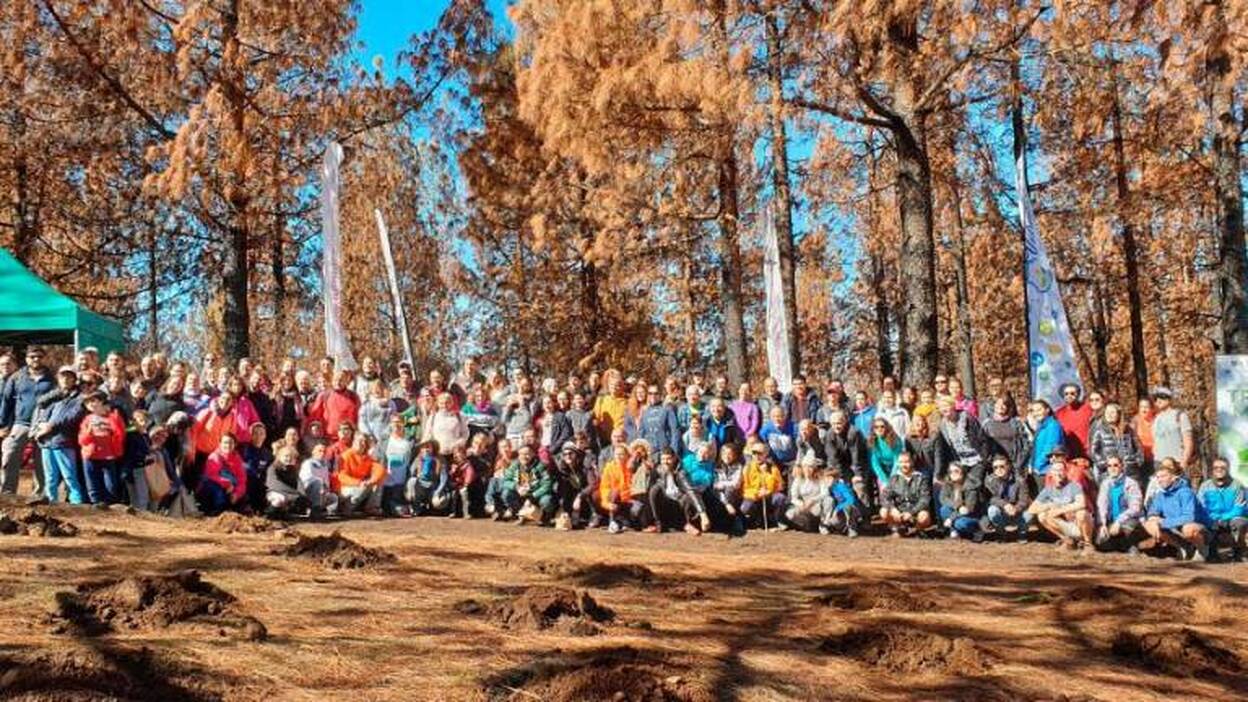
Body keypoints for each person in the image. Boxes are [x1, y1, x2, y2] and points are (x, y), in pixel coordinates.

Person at [1, 347, 55, 497]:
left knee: (41, 462)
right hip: (20, 424)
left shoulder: (53, 378)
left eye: (39, 356)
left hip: (42, 426)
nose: (36, 359)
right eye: (32, 356)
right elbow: (6, 401)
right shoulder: (17, 377)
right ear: (26, 359)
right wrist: (3, 425)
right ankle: (7, 493)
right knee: (9, 455)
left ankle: (39, 494)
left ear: (44, 358)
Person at [1143, 458, 1209, 561]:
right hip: (1176, 527)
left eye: (1164, 476)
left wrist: (1162, 522)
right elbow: (1152, 512)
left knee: (1188, 529)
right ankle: (1183, 548)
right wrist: (1152, 520)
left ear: (1174, 477)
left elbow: (1189, 517)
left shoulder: (1186, 492)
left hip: (1200, 528)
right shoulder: (1161, 494)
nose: (1160, 480)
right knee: (1149, 524)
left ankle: (1202, 550)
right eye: (1158, 477)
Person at [1028, 458, 1095, 551]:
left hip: (1081, 524)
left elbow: (1081, 503)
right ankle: (1068, 541)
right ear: (1051, 473)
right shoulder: (1048, 489)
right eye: (1055, 470)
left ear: (1065, 472)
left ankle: (1088, 544)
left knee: (1082, 513)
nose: (1058, 473)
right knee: (1042, 516)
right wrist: (1050, 505)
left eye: (1061, 470)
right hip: (1066, 524)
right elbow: (1032, 509)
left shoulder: (1074, 486)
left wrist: (1059, 510)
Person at [78, 390, 127, 506]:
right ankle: (95, 502)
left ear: (102, 402)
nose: (92, 404)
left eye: (94, 401)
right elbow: (81, 440)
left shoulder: (113, 416)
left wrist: (113, 422)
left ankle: (110, 503)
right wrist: (89, 432)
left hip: (108, 454)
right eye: (88, 403)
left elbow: (121, 434)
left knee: (110, 482)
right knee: (91, 480)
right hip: (90, 454)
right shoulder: (87, 419)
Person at [1197, 458, 1246, 562]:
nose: (1219, 470)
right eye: (1216, 468)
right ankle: (1210, 552)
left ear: (1228, 469)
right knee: (1202, 524)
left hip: (1231, 518)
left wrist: (1224, 518)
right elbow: (1200, 507)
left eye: (1222, 467)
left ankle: (1238, 550)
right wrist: (1212, 519)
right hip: (1211, 518)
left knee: (1240, 523)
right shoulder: (1205, 486)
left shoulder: (1237, 485)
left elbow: (1239, 508)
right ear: (1212, 470)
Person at [1095, 456, 1145, 554]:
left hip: (1129, 520)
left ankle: (1131, 545)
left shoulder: (1131, 483)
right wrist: (1102, 524)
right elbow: (1101, 505)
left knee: (1127, 528)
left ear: (1122, 467)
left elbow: (1135, 508)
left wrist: (1118, 522)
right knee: (1100, 544)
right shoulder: (1105, 483)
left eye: (1115, 465)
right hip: (1111, 521)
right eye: (1109, 466)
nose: (1112, 468)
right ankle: (1119, 544)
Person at [935, 395, 989, 486]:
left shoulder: (967, 418)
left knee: (972, 484)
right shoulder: (943, 425)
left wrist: (984, 459)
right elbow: (943, 449)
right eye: (941, 407)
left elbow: (982, 439)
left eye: (946, 405)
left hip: (977, 459)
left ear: (953, 406)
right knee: (956, 484)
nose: (944, 409)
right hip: (960, 461)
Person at [824, 410, 870, 510]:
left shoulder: (854, 432)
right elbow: (833, 457)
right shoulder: (829, 434)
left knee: (859, 486)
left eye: (839, 423)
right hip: (842, 465)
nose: (837, 426)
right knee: (840, 486)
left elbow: (856, 455)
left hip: (859, 464)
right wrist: (839, 476)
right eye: (834, 423)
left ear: (845, 422)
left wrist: (857, 474)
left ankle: (865, 517)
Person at [980, 456, 1032, 543]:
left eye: (1002, 466)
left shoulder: (1020, 480)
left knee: (1030, 512)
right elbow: (990, 498)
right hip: (1002, 513)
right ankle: (1001, 533)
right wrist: (1005, 505)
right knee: (992, 510)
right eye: (995, 467)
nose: (998, 469)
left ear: (1009, 466)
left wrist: (1016, 508)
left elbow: (1024, 499)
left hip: (1018, 513)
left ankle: (1022, 533)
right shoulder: (990, 480)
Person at [1089, 402, 1143, 484]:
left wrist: (1135, 461)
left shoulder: (1128, 430)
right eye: (1107, 412)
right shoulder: (1100, 430)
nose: (1109, 415)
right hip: (1109, 472)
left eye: (1112, 412)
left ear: (1118, 414)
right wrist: (1105, 463)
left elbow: (1138, 447)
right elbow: (1093, 451)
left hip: (1130, 472)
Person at [881, 452, 932, 537]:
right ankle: (897, 528)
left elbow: (925, 500)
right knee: (884, 511)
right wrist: (893, 509)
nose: (903, 465)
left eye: (906, 462)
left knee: (924, 517)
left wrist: (911, 512)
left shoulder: (921, 478)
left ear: (912, 462)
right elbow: (884, 497)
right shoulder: (894, 478)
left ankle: (918, 530)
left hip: (915, 511)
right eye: (901, 462)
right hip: (899, 511)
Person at [197, 433, 248, 515]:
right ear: (220, 444)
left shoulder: (237, 459)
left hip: (230, 488)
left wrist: (236, 493)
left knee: (243, 497)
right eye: (225, 442)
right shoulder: (214, 457)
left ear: (235, 444)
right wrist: (227, 484)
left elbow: (242, 480)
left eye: (231, 442)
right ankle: (215, 511)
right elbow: (212, 475)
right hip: (213, 486)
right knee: (218, 494)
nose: (228, 445)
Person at [1149, 387, 1195, 476]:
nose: (1158, 400)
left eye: (1162, 397)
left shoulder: (1180, 416)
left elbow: (1188, 442)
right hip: (1159, 463)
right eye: (1155, 398)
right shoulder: (1156, 419)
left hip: (1176, 462)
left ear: (1169, 399)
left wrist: (1184, 461)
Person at [337, 433, 385, 516]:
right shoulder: (346, 455)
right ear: (354, 442)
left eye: (364, 441)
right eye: (360, 440)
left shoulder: (367, 457)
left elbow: (379, 469)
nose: (362, 443)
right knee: (363, 487)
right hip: (345, 488)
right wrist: (359, 483)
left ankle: (371, 508)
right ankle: (346, 509)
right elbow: (341, 477)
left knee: (378, 482)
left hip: (360, 486)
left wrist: (372, 481)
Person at [740, 443, 786, 531]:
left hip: (769, 497)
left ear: (765, 454)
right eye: (754, 453)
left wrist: (769, 491)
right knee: (745, 507)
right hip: (754, 498)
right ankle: (752, 523)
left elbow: (780, 486)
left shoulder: (773, 468)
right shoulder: (747, 468)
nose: (757, 456)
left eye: (760, 453)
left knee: (780, 498)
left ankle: (775, 522)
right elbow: (744, 489)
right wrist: (757, 493)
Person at [981, 396, 1030, 477]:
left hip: (1015, 464)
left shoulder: (1016, 423)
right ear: (994, 406)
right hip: (995, 465)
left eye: (1004, 404)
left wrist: (1021, 461)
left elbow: (1027, 443)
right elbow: (982, 445)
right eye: (998, 404)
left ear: (1008, 407)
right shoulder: (987, 424)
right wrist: (988, 460)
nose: (1001, 406)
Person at [378, 415, 416, 517]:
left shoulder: (409, 442)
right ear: (390, 424)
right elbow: (378, 458)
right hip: (386, 480)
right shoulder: (384, 441)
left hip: (401, 481)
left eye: (399, 422)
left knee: (397, 505)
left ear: (403, 424)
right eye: (394, 422)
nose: (396, 424)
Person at [308, 370, 361, 443]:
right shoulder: (324, 395)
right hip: (328, 438)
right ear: (332, 381)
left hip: (349, 438)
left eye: (341, 379)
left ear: (346, 381)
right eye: (336, 379)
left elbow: (359, 416)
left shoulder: (353, 397)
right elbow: (315, 416)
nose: (338, 382)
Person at [630, 384, 680, 458]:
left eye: (656, 393)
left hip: (665, 452)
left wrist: (674, 450)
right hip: (650, 453)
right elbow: (641, 433)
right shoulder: (645, 412)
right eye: (650, 393)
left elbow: (675, 430)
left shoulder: (667, 409)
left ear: (660, 394)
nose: (653, 396)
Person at [938, 463, 983, 541]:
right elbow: (943, 498)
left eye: (956, 471)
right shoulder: (948, 484)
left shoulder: (971, 486)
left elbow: (968, 510)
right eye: (950, 472)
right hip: (958, 512)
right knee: (944, 509)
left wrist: (951, 519)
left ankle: (976, 531)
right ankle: (954, 531)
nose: (953, 474)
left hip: (973, 516)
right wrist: (958, 506)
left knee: (960, 523)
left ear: (963, 472)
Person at [1026, 400, 1065, 484]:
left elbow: (1050, 448)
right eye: (1034, 411)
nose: (1036, 413)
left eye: (1039, 410)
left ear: (1047, 410)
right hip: (1038, 470)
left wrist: (1037, 466)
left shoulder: (1053, 426)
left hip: (1046, 470)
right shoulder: (1041, 426)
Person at [783, 454, 825, 533]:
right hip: (803, 505)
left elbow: (825, 493)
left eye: (810, 467)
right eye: (805, 466)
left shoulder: (820, 478)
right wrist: (801, 504)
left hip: (816, 505)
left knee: (818, 511)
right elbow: (793, 497)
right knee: (790, 514)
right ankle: (807, 527)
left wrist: (813, 500)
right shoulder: (798, 479)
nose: (808, 469)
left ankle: (818, 525)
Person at [265, 444, 307, 518]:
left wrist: (303, 495)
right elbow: (274, 484)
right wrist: (294, 493)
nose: (289, 458)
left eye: (291, 457)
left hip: (289, 494)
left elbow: (299, 483)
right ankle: (269, 513)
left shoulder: (292, 470)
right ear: (279, 457)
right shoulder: (273, 468)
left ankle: (284, 512)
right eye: (286, 456)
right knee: (280, 499)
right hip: (274, 493)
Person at [822, 464, 863, 537]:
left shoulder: (842, 486)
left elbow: (851, 500)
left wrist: (838, 508)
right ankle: (827, 525)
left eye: (830, 478)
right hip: (839, 513)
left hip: (851, 511)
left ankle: (852, 528)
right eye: (826, 478)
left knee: (847, 507)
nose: (827, 481)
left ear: (835, 478)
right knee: (828, 501)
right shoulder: (829, 489)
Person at [299, 442, 338, 519]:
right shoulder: (308, 463)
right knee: (317, 483)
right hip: (308, 492)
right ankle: (314, 510)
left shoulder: (325, 466)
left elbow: (327, 482)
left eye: (324, 451)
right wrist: (321, 483)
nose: (322, 453)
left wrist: (325, 489)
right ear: (313, 452)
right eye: (319, 451)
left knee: (334, 497)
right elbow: (306, 480)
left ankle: (324, 510)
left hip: (322, 492)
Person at [713, 442, 746, 534]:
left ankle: (735, 520)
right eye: (724, 454)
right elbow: (715, 486)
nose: (727, 456)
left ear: (735, 455)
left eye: (730, 454)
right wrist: (727, 503)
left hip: (735, 496)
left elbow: (736, 484)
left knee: (729, 490)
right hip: (720, 496)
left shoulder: (738, 466)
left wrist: (722, 484)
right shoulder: (716, 467)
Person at [240, 422, 272, 512]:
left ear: (265, 436)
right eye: (255, 433)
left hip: (261, 485)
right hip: (246, 483)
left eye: (261, 433)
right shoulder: (243, 449)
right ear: (251, 435)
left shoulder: (267, 454)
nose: (258, 436)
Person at [1054, 383, 1093, 458]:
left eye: (1072, 393)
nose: (1069, 396)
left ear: (1078, 394)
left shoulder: (1088, 409)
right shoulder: (1059, 413)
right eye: (1066, 394)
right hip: (1068, 454)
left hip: (1087, 453)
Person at [759, 406, 798, 473]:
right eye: (774, 416)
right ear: (770, 417)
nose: (777, 419)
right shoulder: (766, 429)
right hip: (774, 461)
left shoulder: (794, 427)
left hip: (792, 461)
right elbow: (762, 445)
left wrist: (798, 463)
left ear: (785, 416)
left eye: (780, 416)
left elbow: (800, 446)